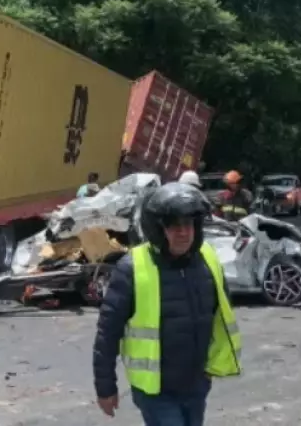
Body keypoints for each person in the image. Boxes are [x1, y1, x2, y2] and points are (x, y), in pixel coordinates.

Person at [93, 182, 241, 426]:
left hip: (196, 385)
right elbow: (107, 334)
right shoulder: (132, 268)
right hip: (155, 391)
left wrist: (209, 368)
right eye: (174, 225)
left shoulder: (208, 260)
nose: (183, 232)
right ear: (157, 229)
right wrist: (105, 387)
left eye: (188, 224)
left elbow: (218, 316)